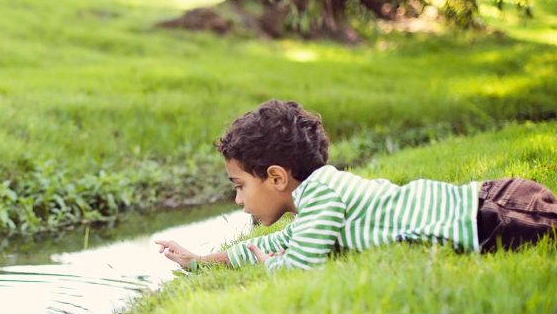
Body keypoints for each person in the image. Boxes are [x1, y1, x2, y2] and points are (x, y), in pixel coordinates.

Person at [156, 100, 557, 271]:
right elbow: (277, 244)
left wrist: (272, 269)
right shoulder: (316, 202)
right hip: (489, 203)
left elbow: (298, 264)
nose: (237, 199)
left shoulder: (323, 197)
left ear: (277, 177)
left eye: (240, 185)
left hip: (494, 217)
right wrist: (200, 262)